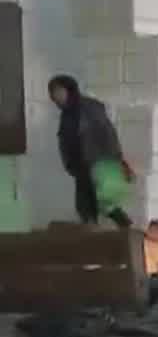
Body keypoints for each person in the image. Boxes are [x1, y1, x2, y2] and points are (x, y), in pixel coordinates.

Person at [50, 75, 134, 229]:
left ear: (69, 89)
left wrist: (116, 159)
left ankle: (127, 229)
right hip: (80, 165)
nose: (55, 96)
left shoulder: (89, 107)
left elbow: (107, 133)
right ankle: (94, 236)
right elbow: (66, 140)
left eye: (58, 91)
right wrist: (69, 163)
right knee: (85, 206)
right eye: (53, 93)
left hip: (97, 162)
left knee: (105, 203)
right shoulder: (66, 114)